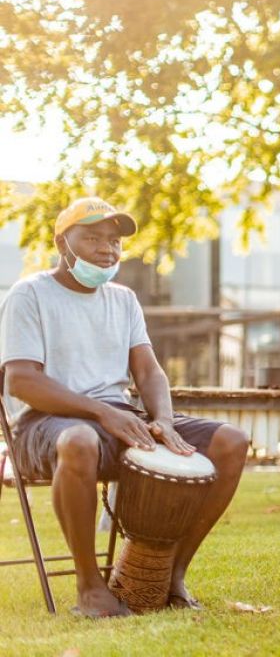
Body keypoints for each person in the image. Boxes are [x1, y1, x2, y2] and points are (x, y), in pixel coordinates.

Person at [0, 198, 249, 617]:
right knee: (79, 439)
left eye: (114, 241)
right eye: (93, 237)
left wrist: (164, 420)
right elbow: (22, 380)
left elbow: (148, 371)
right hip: (47, 424)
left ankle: (172, 576)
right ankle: (89, 586)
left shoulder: (124, 299)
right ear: (63, 242)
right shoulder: (29, 294)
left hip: (119, 419)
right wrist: (100, 413)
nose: (107, 249)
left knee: (231, 441)